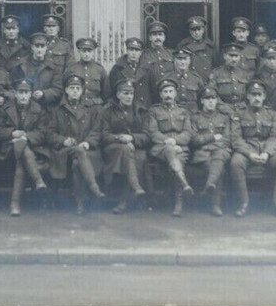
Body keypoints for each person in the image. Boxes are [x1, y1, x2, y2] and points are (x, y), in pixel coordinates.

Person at [228, 80, 276, 219]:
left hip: (266, 150)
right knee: (235, 163)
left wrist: (266, 153)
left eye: (260, 95)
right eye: (254, 94)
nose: (257, 98)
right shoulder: (238, 113)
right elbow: (236, 138)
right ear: (248, 96)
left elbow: (275, 137)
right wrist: (249, 153)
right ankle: (244, 203)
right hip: (246, 150)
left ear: (264, 97)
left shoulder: (272, 114)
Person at [46, 75, 106, 214]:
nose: (74, 91)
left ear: (82, 90)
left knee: (77, 162)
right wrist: (63, 141)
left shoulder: (91, 109)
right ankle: (94, 188)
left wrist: (87, 142)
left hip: (86, 150)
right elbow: (49, 134)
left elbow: (97, 131)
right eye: (71, 88)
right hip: (64, 151)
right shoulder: (57, 110)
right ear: (66, 90)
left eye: (77, 88)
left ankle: (79, 202)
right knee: (77, 156)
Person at [0, 79, 51, 216]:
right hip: (9, 148)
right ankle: (38, 181)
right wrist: (12, 133)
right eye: (21, 92)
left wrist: (26, 136)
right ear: (15, 94)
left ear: (31, 94)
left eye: (26, 93)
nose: (23, 96)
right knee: (21, 149)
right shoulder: (5, 108)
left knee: (22, 157)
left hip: (33, 149)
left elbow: (43, 133)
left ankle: (15, 204)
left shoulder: (38, 110)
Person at [147, 78, 196, 216]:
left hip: (180, 148)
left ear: (175, 94)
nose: (168, 94)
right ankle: (184, 186)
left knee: (176, 158)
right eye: (165, 92)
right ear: (161, 95)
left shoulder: (184, 112)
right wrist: (168, 141)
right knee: (170, 151)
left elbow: (188, 133)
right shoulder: (154, 111)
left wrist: (176, 142)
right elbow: (153, 132)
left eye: (170, 91)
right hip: (161, 148)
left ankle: (178, 202)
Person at [99, 78, 148, 213]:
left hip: (134, 147)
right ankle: (135, 187)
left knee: (137, 158)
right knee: (127, 151)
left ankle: (123, 202)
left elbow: (146, 135)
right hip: (113, 148)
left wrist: (132, 138)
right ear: (118, 94)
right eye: (125, 93)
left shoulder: (139, 110)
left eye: (131, 93)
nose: (129, 97)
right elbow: (104, 135)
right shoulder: (108, 111)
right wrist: (121, 139)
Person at [190, 86, 232, 216]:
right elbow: (194, 139)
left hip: (219, 151)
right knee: (217, 167)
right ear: (201, 101)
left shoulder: (224, 118)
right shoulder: (195, 118)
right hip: (202, 155)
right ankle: (215, 204)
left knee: (217, 160)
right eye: (207, 98)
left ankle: (210, 192)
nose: (210, 101)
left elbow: (227, 139)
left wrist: (208, 145)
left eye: (213, 98)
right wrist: (213, 138)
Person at [10, 33, 61, 109]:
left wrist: (44, 94)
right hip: (24, 108)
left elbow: (58, 90)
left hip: (45, 108)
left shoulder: (53, 68)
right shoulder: (20, 65)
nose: (39, 50)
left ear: (46, 47)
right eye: (37, 46)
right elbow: (11, 86)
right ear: (32, 47)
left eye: (42, 46)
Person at [152, 46, 204, 111]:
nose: (182, 62)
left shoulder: (196, 79)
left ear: (189, 60)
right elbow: (159, 98)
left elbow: (202, 99)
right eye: (179, 59)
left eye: (185, 59)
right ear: (174, 60)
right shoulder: (167, 78)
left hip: (192, 115)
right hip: (174, 116)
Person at [108, 37, 153, 109]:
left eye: (137, 50)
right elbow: (111, 91)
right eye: (131, 49)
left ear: (141, 52)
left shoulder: (148, 69)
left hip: (143, 108)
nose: (133, 53)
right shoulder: (117, 68)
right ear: (127, 51)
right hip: (124, 109)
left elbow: (153, 90)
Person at [209, 43, 252, 114]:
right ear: (224, 56)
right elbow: (212, 93)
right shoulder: (216, 73)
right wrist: (224, 108)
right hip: (222, 111)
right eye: (231, 56)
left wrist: (244, 106)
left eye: (236, 56)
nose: (234, 59)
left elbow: (249, 93)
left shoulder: (244, 73)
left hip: (242, 110)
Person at [64, 37, 107, 106]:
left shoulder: (100, 69)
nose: (86, 54)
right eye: (84, 51)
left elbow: (106, 93)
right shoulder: (72, 69)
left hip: (95, 106)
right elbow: (65, 90)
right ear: (79, 52)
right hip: (77, 106)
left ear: (93, 52)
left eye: (89, 51)